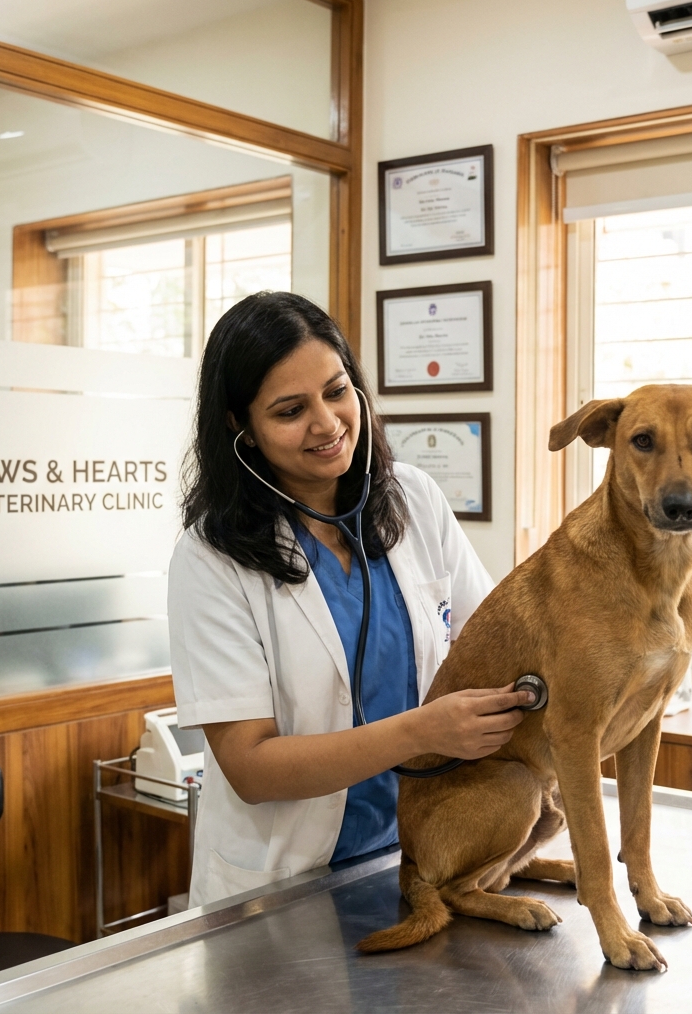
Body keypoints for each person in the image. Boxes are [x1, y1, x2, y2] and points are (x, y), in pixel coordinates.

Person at [168, 291, 529, 907]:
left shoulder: (412, 499)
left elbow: (496, 641)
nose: (328, 424)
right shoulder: (211, 558)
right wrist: (423, 731)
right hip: (283, 886)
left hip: (421, 855)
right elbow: (252, 770)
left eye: (337, 392)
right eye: (290, 410)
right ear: (240, 427)